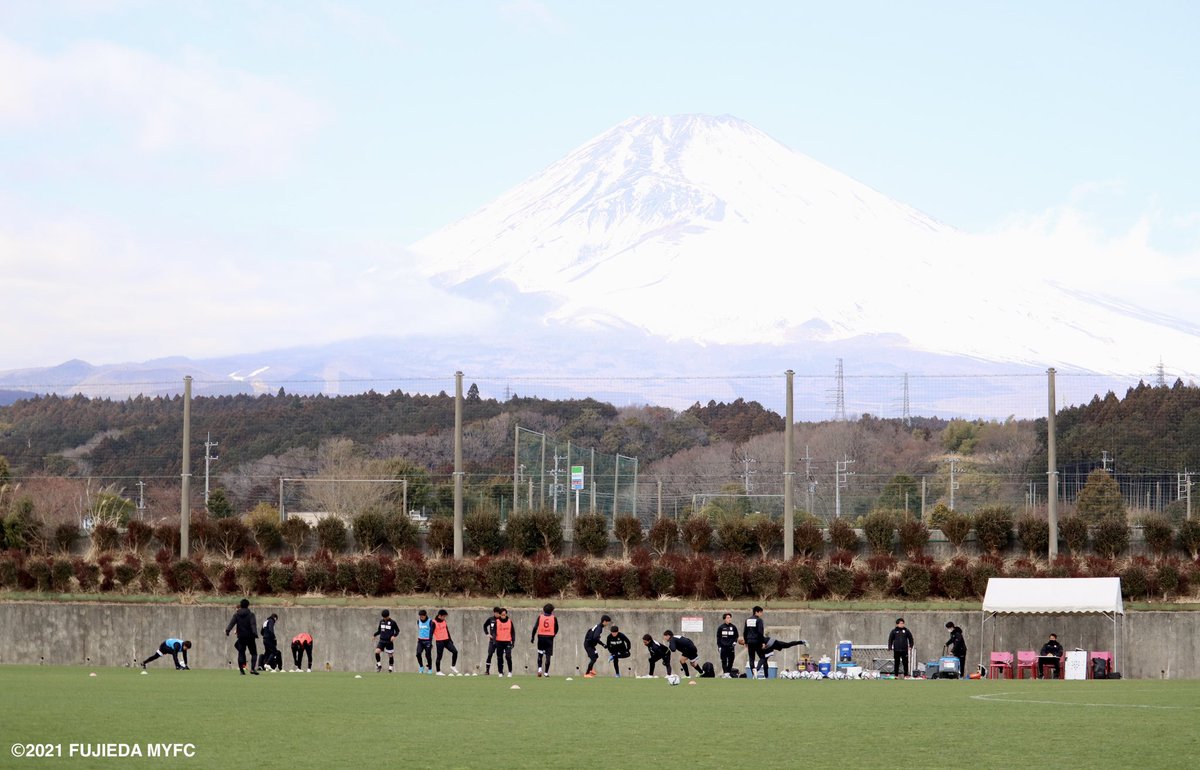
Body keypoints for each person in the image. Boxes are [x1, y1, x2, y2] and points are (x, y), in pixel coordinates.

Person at [225, 598, 260, 675]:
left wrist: (228, 630)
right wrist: (255, 633)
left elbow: (232, 623)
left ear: (240, 605)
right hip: (250, 636)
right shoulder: (251, 615)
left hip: (241, 636)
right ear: (248, 605)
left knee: (241, 652)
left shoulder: (236, 615)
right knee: (254, 653)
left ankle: (241, 670)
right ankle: (253, 669)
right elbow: (253, 624)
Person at [531, 603, 558, 677]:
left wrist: (532, 637)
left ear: (543, 610)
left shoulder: (540, 617)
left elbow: (535, 628)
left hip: (541, 637)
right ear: (552, 611)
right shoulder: (554, 618)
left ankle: (539, 669)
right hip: (549, 637)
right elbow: (556, 628)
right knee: (548, 655)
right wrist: (553, 635)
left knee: (540, 654)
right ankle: (546, 673)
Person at [739, 606, 766, 678]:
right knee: (763, 657)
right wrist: (763, 642)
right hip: (757, 641)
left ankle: (754, 673)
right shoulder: (759, 620)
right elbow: (760, 632)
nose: (761, 614)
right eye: (760, 612)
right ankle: (756, 670)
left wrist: (746, 642)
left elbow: (745, 632)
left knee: (751, 658)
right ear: (756, 612)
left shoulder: (747, 620)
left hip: (749, 641)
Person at [432, 609, 460, 675]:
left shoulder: (444, 621)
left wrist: (450, 640)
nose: (444, 618)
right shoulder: (433, 622)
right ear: (439, 616)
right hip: (439, 642)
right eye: (443, 616)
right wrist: (429, 642)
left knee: (455, 651)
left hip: (447, 640)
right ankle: (438, 671)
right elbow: (430, 633)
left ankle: (453, 666)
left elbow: (447, 631)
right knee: (439, 657)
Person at [373, 609, 400, 673]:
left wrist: (394, 636)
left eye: (385, 617)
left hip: (389, 642)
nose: (384, 618)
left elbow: (397, 630)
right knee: (377, 652)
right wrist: (374, 635)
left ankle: (390, 669)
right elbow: (379, 631)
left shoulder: (393, 622)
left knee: (390, 655)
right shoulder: (381, 621)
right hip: (382, 640)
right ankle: (379, 665)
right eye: (383, 617)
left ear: (388, 616)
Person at [491, 607, 514, 677]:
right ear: (500, 615)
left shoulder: (510, 621)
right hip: (499, 642)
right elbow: (494, 632)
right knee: (499, 657)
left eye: (505, 614)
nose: (504, 616)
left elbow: (513, 632)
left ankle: (510, 671)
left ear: (506, 614)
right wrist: (494, 641)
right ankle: (500, 672)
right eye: (502, 615)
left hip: (507, 642)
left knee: (508, 656)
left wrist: (513, 641)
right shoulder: (497, 622)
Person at [716, 612, 739, 678]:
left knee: (731, 660)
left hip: (731, 647)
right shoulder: (721, 627)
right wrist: (719, 646)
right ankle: (725, 673)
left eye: (730, 618)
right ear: (724, 619)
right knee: (724, 660)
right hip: (723, 647)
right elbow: (718, 637)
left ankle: (728, 673)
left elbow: (736, 636)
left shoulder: (733, 627)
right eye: (728, 618)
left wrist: (734, 642)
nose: (729, 619)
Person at [415, 610, 434, 674]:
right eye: (420, 616)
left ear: (425, 615)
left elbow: (431, 633)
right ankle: (421, 666)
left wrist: (430, 642)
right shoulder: (418, 621)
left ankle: (430, 669)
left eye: (422, 616)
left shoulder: (430, 622)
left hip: (427, 641)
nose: (421, 617)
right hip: (420, 641)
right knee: (418, 654)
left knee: (428, 655)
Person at [483, 607, 501, 675]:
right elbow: (484, 625)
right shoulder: (491, 619)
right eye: (495, 613)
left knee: (500, 656)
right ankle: (487, 671)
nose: (497, 614)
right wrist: (487, 634)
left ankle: (500, 671)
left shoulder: (501, 620)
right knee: (490, 654)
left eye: (498, 613)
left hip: (500, 641)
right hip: (492, 641)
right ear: (494, 612)